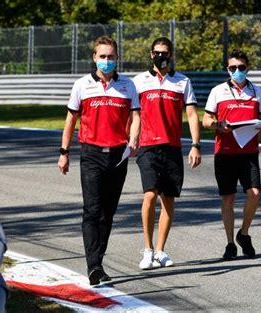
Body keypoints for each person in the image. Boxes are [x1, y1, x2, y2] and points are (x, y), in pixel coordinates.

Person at [58, 35, 141, 285]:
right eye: (102, 56)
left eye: (111, 57)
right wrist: (64, 153)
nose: (107, 61)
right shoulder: (81, 85)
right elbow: (71, 120)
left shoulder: (128, 86)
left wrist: (134, 139)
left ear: (117, 58)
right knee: (92, 210)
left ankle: (99, 261)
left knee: (108, 212)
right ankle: (93, 267)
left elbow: (136, 116)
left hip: (118, 155)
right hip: (91, 153)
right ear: (94, 58)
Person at [132, 37, 201, 270]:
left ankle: (160, 250)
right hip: (147, 146)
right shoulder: (139, 81)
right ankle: (148, 249)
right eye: (157, 52)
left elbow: (191, 114)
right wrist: (130, 140)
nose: (161, 56)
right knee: (150, 194)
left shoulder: (183, 82)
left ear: (171, 55)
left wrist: (195, 144)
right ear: (151, 54)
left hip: (172, 147)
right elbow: (134, 115)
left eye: (165, 52)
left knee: (169, 200)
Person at [202, 49, 261, 260]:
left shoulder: (257, 91)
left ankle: (244, 233)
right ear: (227, 69)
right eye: (233, 68)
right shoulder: (217, 91)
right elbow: (206, 120)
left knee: (254, 193)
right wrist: (220, 125)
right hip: (225, 152)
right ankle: (230, 243)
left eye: (241, 67)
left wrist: (258, 126)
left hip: (249, 152)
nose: (237, 71)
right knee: (228, 198)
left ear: (247, 68)